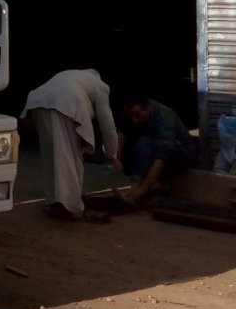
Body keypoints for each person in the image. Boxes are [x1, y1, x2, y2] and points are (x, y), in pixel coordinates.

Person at [21, 69, 121, 221]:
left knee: (52, 156)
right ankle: (72, 207)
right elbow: (107, 123)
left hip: (37, 103)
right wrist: (112, 154)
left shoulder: (70, 75)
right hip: (66, 105)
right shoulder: (100, 85)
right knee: (71, 158)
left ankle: (56, 201)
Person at [116, 95, 196, 206]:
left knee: (145, 142)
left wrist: (140, 193)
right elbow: (122, 131)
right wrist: (116, 155)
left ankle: (145, 190)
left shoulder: (165, 120)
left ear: (147, 108)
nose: (134, 120)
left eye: (138, 115)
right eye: (132, 116)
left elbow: (160, 161)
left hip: (182, 152)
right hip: (153, 145)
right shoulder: (133, 112)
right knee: (142, 143)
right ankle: (134, 188)